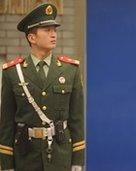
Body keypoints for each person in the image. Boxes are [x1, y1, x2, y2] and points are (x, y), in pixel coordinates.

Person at [0, 3, 85, 171]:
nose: (54, 35)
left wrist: (77, 161)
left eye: (54, 30)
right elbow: (7, 124)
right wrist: (6, 164)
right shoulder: (13, 73)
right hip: (25, 157)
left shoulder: (70, 70)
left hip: (60, 156)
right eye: (47, 30)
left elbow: (76, 120)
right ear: (32, 38)